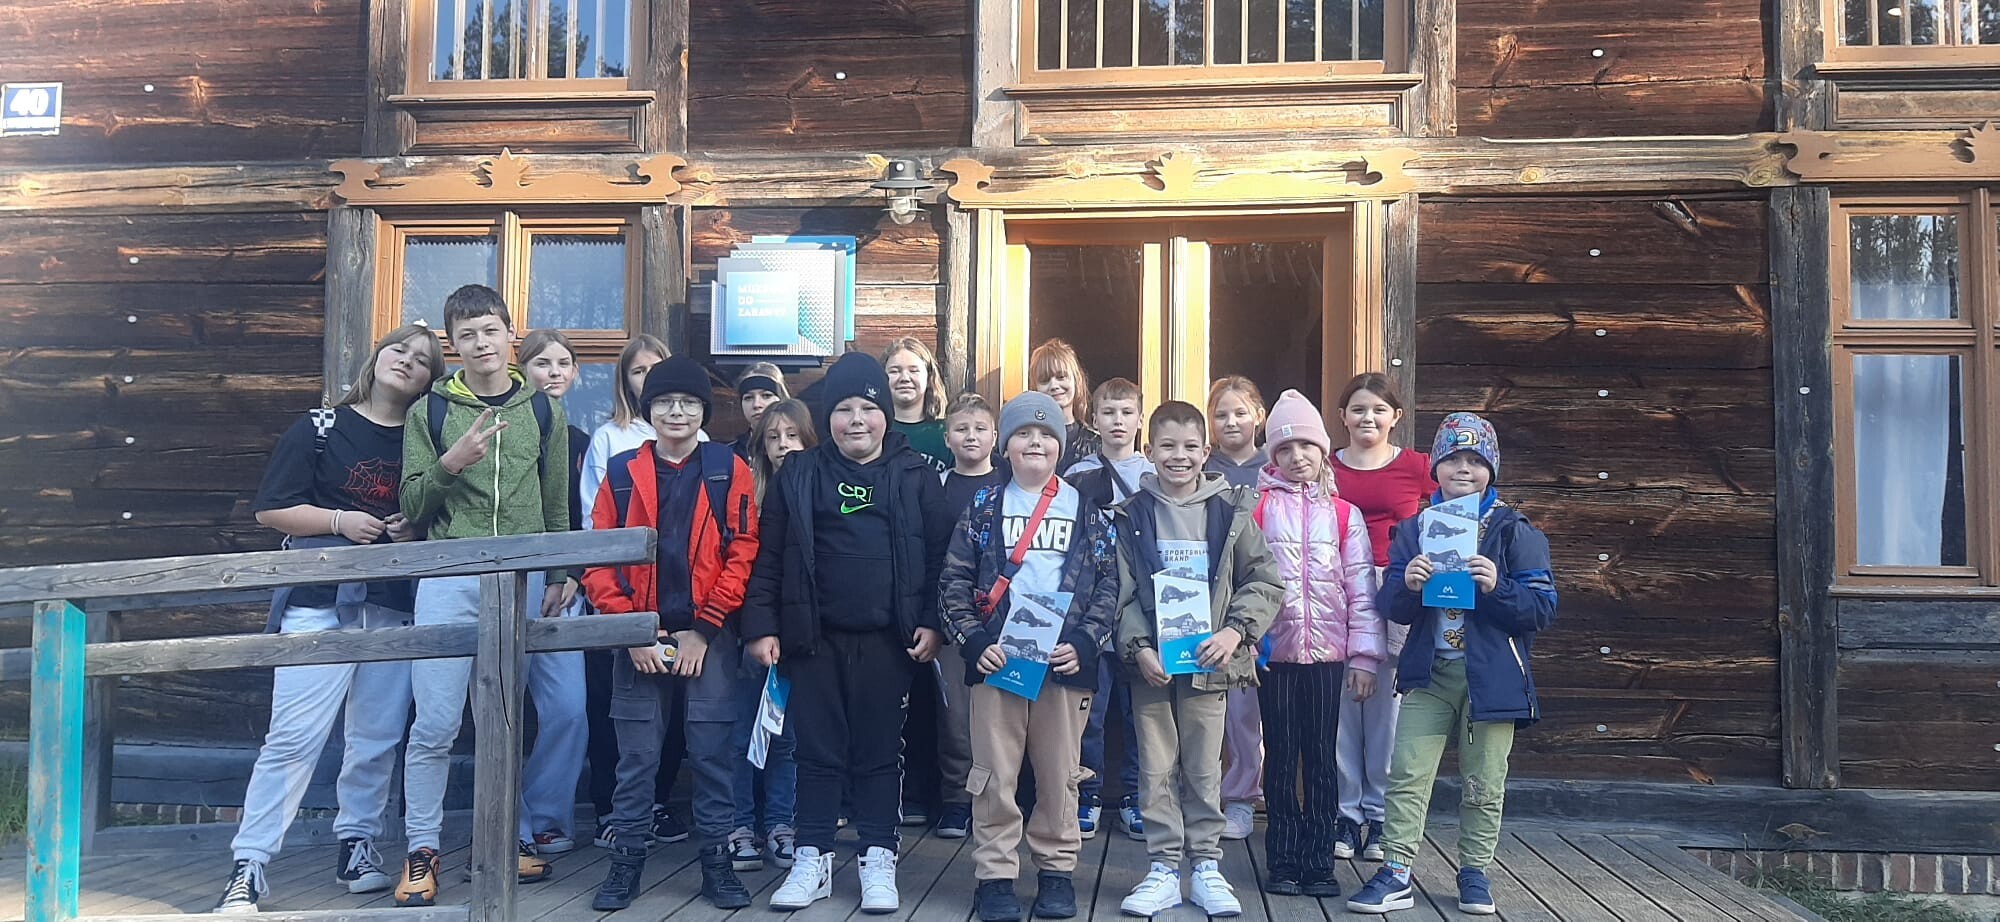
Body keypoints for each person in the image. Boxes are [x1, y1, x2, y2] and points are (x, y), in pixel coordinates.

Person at [212, 326, 442, 913]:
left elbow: (434, 509)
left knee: (376, 738)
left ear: (430, 381)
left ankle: (357, 842)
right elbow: (272, 509)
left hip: (393, 603)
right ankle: (250, 863)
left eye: (422, 360)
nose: (407, 362)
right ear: (377, 356)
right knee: (293, 736)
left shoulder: (425, 440)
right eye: (399, 350)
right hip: (318, 602)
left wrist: (412, 528)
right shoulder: (320, 426)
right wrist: (339, 522)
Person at [740, 352, 953, 913]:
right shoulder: (800, 473)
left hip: (890, 639)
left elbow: (941, 557)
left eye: (867, 408)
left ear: (885, 414)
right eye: (843, 409)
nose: (856, 420)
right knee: (817, 751)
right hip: (813, 637)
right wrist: (761, 626)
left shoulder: (914, 475)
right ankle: (812, 857)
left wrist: (933, 622)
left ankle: (878, 855)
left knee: (880, 751)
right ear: (827, 416)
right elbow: (768, 557)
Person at [393, 284, 580, 905]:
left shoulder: (543, 411)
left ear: (509, 334)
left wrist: (560, 573)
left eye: (490, 330)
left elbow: (556, 501)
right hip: (449, 577)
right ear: (454, 344)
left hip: (521, 579)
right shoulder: (429, 412)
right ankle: (422, 850)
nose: (481, 343)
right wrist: (452, 461)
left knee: (503, 717)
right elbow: (411, 503)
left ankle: (502, 839)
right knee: (435, 722)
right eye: (467, 335)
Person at [1346, 413, 1558, 917]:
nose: (1464, 469)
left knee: (1484, 781)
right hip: (1429, 673)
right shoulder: (1416, 528)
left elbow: (1542, 608)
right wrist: (1407, 585)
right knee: (1407, 773)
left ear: (1492, 470)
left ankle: (1474, 871)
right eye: (1453, 459)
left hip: (1492, 680)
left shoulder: (1514, 530)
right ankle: (1396, 871)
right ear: (1435, 468)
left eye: (1476, 460)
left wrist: (1497, 586)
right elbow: (1391, 607)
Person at [581, 358, 762, 911]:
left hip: (709, 638)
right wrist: (633, 631)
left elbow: (743, 551)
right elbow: (598, 558)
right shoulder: (621, 472)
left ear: (703, 410)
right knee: (636, 758)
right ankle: (626, 863)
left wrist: (704, 631)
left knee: (711, 753)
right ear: (648, 410)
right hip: (639, 636)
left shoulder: (728, 469)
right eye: (664, 402)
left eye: (687, 402)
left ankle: (717, 865)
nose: (676, 412)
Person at [941, 391, 1119, 922]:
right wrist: (973, 641)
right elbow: (954, 578)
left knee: (1060, 774)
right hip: (999, 661)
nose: (1035, 442)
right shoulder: (984, 505)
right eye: (1023, 433)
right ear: (1006, 446)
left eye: (1045, 435)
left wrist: (1085, 641)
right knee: (994, 774)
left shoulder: (1085, 508)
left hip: (1062, 664)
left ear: (1060, 446)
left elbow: (1109, 582)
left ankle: (1056, 871)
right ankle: (995, 875)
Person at [1113, 401, 1281, 919]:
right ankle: (1164, 868)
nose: (1179, 456)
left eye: (1190, 447)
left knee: (1205, 765)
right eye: (1167, 446)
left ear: (1206, 451)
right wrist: (1138, 647)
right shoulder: (1131, 515)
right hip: (1153, 667)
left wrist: (1235, 632)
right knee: (1156, 766)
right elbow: (1117, 590)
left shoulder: (1231, 510)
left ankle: (1206, 865)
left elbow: (1264, 580)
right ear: (1149, 451)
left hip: (1210, 663)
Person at [1251, 390, 1382, 898]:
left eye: (1306, 445)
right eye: (1284, 449)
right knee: (1282, 758)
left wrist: (1364, 656)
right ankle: (1283, 859)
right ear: (1273, 457)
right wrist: (1249, 643)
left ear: (1322, 450)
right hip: (1274, 656)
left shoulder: (1344, 515)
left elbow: (1361, 590)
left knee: (1323, 760)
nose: (1297, 456)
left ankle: (1319, 860)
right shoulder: (1258, 510)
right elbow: (1243, 581)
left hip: (1329, 657)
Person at [578, 333, 695, 847]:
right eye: (638, 371)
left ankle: (659, 803)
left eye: (656, 369)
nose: (649, 381)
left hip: (683, 603)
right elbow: (595, 523)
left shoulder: (702, 445)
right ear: (626, 381)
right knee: (617, 707)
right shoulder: (610, 438)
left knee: (675, 710)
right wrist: (620, 608)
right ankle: (613, 809)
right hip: (625, 598)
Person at [1329, 373, 1433, 862]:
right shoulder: (1327, 467)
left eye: (1377, 409)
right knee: (1344, 705)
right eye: (1357, 409)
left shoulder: (1417, 466)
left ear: (1396, 417)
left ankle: (1381, 815)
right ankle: (1346, 814)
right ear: (1343, 417)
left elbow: (1453, 506)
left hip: (1396, 589)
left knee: (1387, 708)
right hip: (1338, 589)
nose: (1367, 418)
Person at [728, 398, 814, 872]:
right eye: (774, 438)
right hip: (749, 632)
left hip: (799, 635)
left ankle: (782, 822)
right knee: (743, 730)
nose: (783, 445)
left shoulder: (818, 489)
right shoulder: (747, 491)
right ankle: (740, 825)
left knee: (787, 734)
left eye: (792, 436)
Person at [1063, 377, 1150, 842]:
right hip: (1090, 610)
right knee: (1089, 713)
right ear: (1094, 419)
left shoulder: (1154, 474)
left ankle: (1136, 796)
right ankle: (1088, 794)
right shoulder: (1077, 474)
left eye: (1126, 412)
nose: (1118, 421)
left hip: (1140, 611)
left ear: (1140, 418)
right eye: (1109, 413)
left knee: (1139, 713)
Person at [519, 329, 594, 854]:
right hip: (505, 585)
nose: (553, 372)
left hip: (564, 591)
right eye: (542, 363)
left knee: (569, 709)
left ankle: (546, 815)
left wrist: (571, 574)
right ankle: (510, 825)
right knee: (499, 707)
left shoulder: (582, 442)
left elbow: (585, 517)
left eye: (563, 363)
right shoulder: (504, 429)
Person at [930, 392, 1007, 841]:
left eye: (980, 429)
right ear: (947, 438)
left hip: (1005, 623)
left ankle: (1003, 799)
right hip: (952, 622)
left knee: (1005, 718)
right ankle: (957, 801)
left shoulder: (1010, 485)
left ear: (995, 436)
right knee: (956, 719)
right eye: (961, 429)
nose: (971, 437)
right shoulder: (936, 487)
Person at [1204, 377, 1269, 842]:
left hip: (1269, 602)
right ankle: (1228, 798)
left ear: (1258, 416)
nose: (1231, 422)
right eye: (1221, 414)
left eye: (1240, 412)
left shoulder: (1277, 467)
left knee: (1265, 710)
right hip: (1217, 606)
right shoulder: (1203, 470)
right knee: (1228, 712)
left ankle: (1261, 796)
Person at [882, 336, 953, 474]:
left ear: (929, 377)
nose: (905, 378)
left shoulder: (947, 433)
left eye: (914, 370)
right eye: (895, 371)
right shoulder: (875, 432)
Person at [1029, 338, 1100, 472]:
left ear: (1076, 380)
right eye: (1045, 380)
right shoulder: (1025, 442)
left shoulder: (1096, 443)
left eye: (1061, 377)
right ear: (1035, 388)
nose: (1054, 385)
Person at [731, 362, 790, 461]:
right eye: (748, 398)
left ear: (781, 399)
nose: (756, 404)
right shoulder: (729, 455)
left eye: (766, 396)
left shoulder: (801, 451)